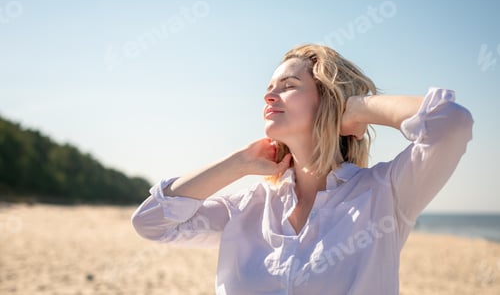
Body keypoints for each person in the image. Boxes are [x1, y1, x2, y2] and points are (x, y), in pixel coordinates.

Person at [131, 44, 473, 294]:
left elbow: (451, 123)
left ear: (328, 99)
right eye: (269, 89)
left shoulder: (385, 194)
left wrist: (357, 108)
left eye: (288, 85)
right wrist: (238, 163)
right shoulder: (246, 206)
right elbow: (152, 223)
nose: (269, 96)